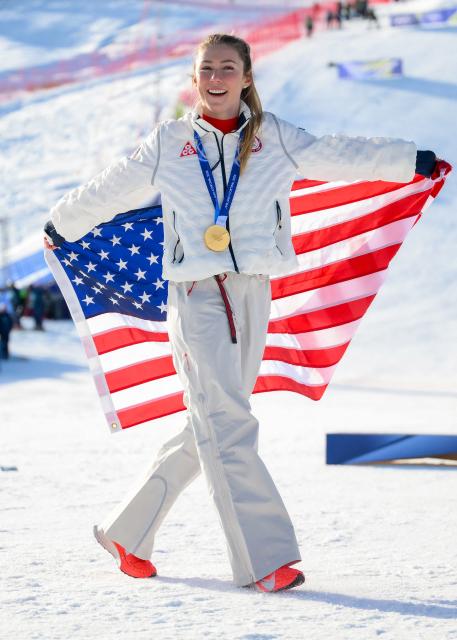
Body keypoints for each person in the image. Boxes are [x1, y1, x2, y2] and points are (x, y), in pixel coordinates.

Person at [44, 33, 437, 593]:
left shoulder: (274, 137)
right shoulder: (170, 142)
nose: (216, 78)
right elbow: (114, 185)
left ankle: (127, 533)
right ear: (194, 78)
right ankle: (264, 559)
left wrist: (405, 160)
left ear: (247, 77)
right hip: (198, 297)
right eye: (207, 69)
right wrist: (64, 220)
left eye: (228, 68)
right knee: (229, 424)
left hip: (253, 292)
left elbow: (338, 152)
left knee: (210, 423)